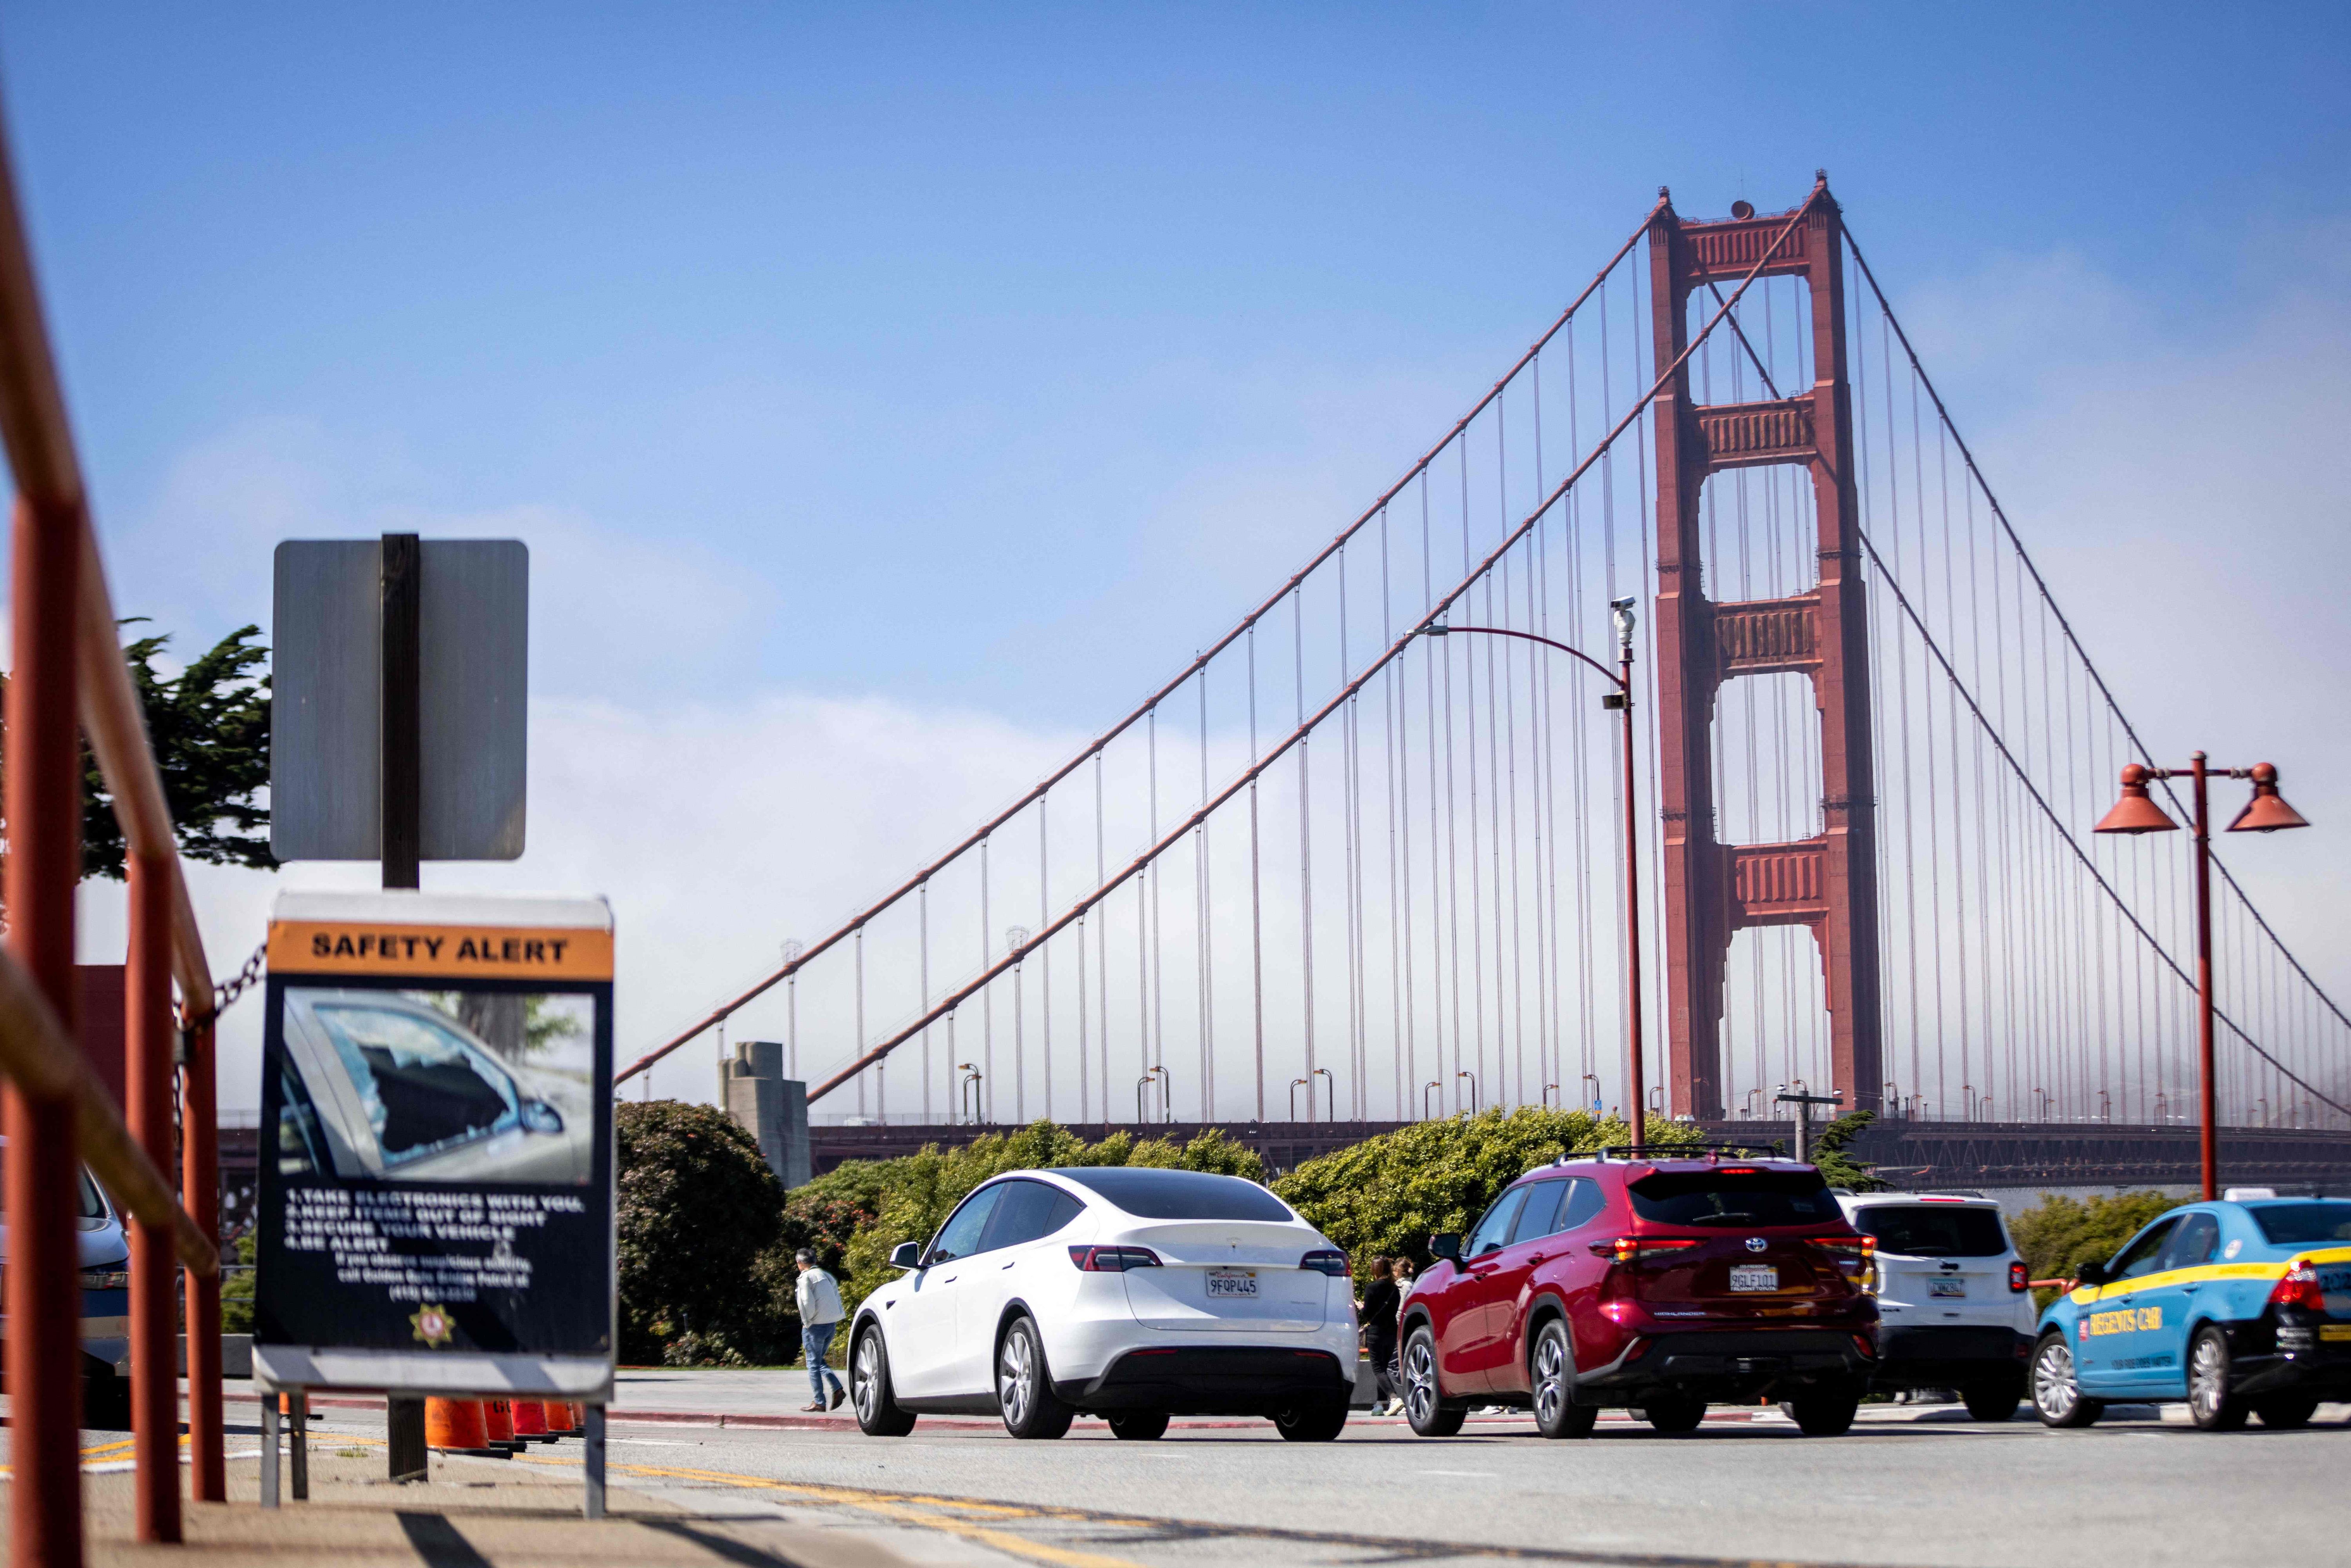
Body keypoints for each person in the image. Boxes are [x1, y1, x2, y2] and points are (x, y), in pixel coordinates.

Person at [795, 1248, 847, 1412]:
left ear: (800, 1263)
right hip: (831, 1324)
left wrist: (807, 1322)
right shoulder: (827, 1276)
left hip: (815, 1326)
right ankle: (838, 1389)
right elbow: (837, 1298)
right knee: (817, 1360)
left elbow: (806, 1302)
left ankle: (819, 1402)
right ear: (815, 1261)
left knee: (812, 1364)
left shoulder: (805, 1278)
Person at [1360, 1255, 1401, 1414]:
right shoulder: (1395, 1289)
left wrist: (1361, 1308)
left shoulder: (1372, 1288)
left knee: (1378, 1369)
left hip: (1376, 1332)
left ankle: (1394, 1399)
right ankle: (1380, 1405)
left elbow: (1368, 1314)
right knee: (1383, 1368)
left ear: (1374, 1270)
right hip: (1391, 1332)